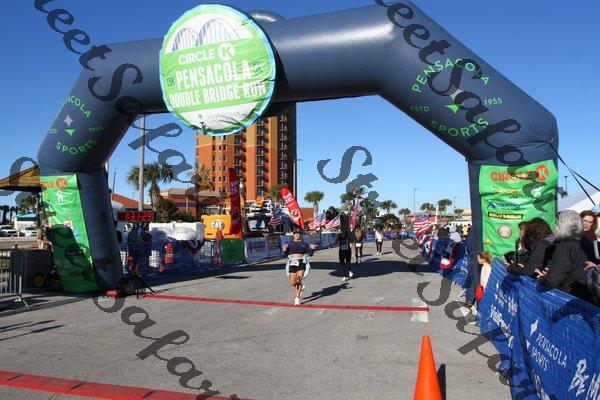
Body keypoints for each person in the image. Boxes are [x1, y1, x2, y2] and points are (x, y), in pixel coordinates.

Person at [536, 210, 595, 302]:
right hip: (588, 296)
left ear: (562, 226)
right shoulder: (589, 243)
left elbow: (553, 280)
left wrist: (541, 279)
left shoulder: (564, 246)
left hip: (568, 298)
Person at [283, 227, 317, 305]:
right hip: (292, 263)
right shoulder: (290, 243)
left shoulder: (304, 244)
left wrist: (312, 249)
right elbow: (285, 255)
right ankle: (301, 286)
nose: (297, 235)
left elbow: (310, 254)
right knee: (292, 283)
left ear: (301, 235)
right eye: (295, 233)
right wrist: (284, 250)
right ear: (293, 234)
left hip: (301, 262)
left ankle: (297, 299)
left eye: (298, 233)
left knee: (298, 280)